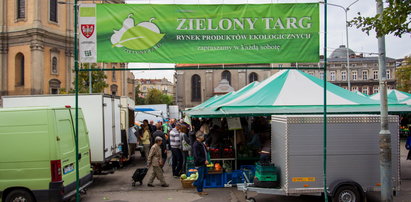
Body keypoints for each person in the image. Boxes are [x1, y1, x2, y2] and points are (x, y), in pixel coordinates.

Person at [193, 130, 208, 196]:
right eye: (202, 136)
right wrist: (203, 161)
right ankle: (200, 191)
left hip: (203, 163)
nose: (204, 137)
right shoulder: (196, 145)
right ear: (199, 137)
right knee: (201, 178)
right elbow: (197, 156)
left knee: (204, 176)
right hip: (200, 163)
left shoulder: (201, 143)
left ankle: (195, 184)